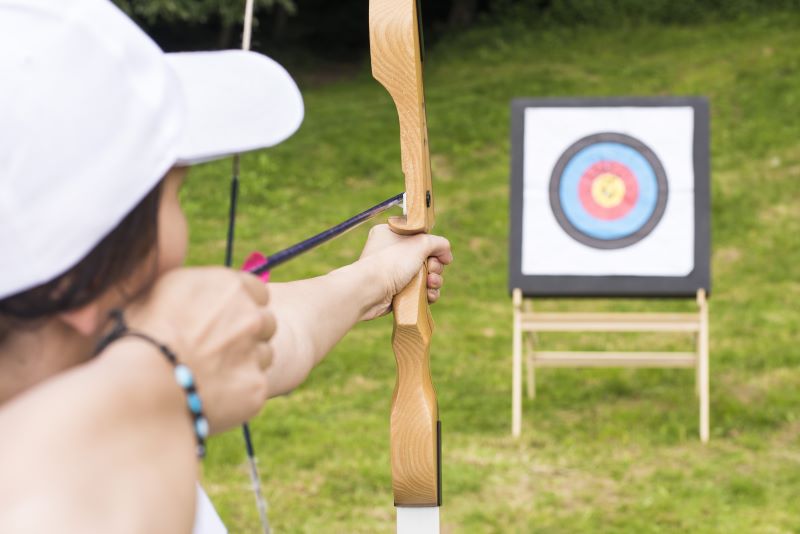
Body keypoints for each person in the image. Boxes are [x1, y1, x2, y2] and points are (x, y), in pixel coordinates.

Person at [0, 0, 453, 532]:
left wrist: (373, 279)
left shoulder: (102, 356)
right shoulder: (73, 478)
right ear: (88, 275)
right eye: (175, 193)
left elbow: (259, 337)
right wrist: (168, 381)